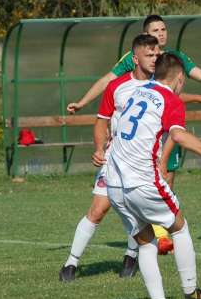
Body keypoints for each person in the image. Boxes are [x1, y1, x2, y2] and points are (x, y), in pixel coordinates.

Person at [66, 14, 201, 252]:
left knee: (164, 182)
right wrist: (82, 102)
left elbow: (197, 80)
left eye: (163, 29)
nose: (160, 34)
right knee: (111, 203)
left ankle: (148, 244)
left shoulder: (171, 60)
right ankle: (155, 241)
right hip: (129, 146)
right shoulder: (134, 63)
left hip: (161, 136)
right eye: (154, 30)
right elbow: (107, 82)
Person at [105, 53, 201, 299]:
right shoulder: (171, 99)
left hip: (113, 181)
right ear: (179, 78)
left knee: (145, 242)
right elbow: (177, 135)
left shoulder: (137, 91)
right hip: (141, 179)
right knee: (179, 227)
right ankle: (192, 295)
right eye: (183, 82)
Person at [59, 34, 160, 282]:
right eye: (149, 55)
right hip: (115, 158)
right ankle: (71, 263)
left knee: (139, 213)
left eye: (157, 54)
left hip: (144, 161)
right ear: (135, 59)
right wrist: (98, 148)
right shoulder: (117, 87)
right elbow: (101, 122)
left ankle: (130, 256)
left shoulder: (161, 87)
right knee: (97, 209)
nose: (155, 59)